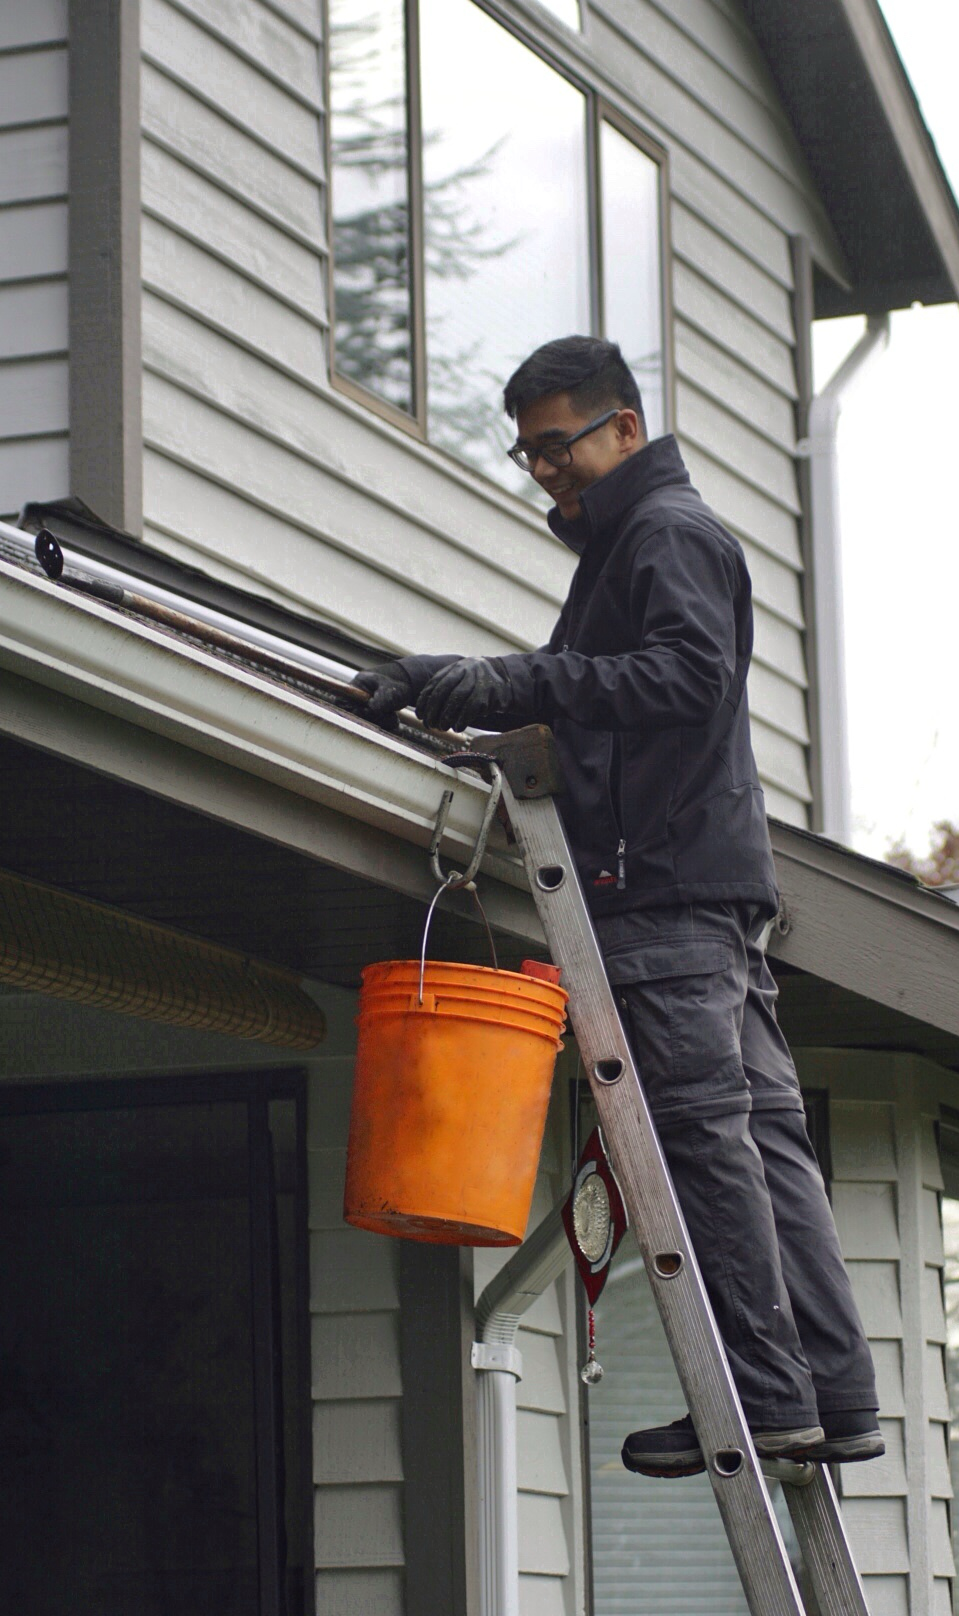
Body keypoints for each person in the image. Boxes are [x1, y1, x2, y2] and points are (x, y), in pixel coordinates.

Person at [353, 335, 883, 1472]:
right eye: (529, 456)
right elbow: (610, 696)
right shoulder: (630, 545)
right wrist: (473, 692)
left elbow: (688, 678)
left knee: (704, 1147)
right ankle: (831, 1393)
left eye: (558, 446)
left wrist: (511, 677)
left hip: (660, 888)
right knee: (767, 1144)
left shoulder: (663, 533)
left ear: (624, 428)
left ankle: (762, 1398)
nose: (545, 472)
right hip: (705, 882)